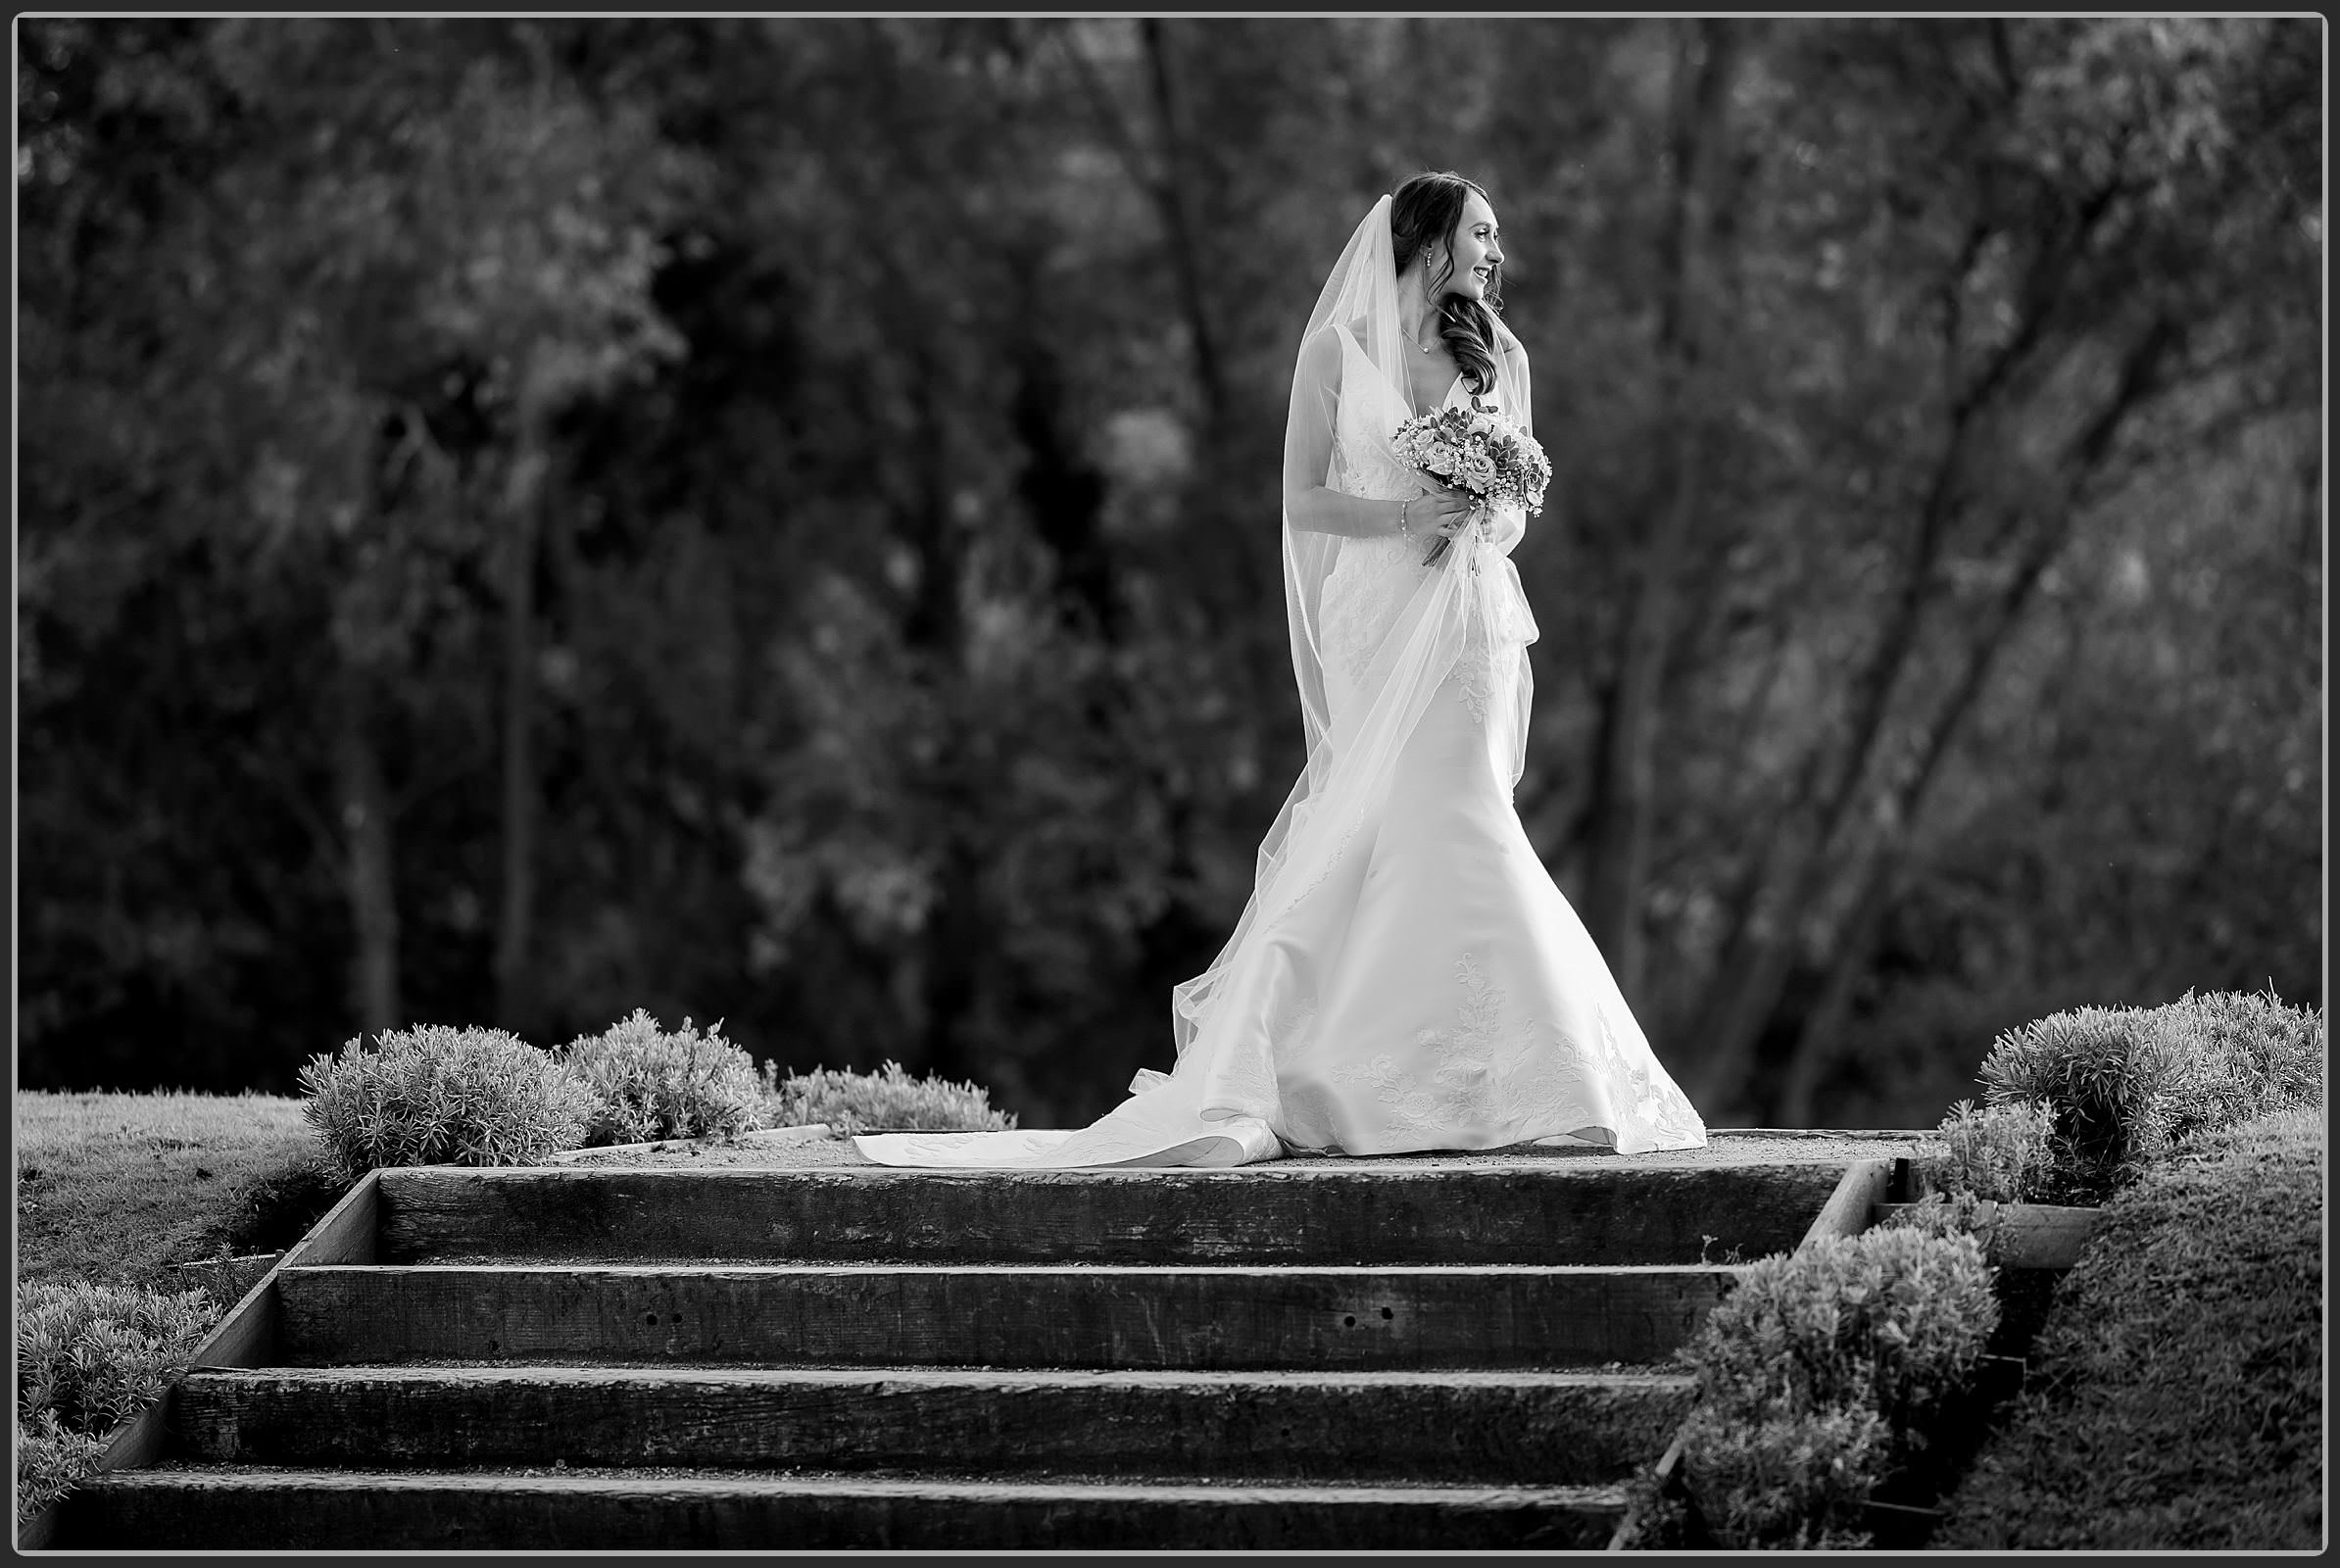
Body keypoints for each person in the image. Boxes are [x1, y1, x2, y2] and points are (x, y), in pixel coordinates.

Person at [857, 172, 1706, 1169]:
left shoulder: (1502, 357)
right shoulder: (1333, 353)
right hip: (1375, 622)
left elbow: (1521, 510)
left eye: (1496, 234)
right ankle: (1358, 1072)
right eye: (1480, 232)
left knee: (1464, 814)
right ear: (1427, 238)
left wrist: (1479, 508)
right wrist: (1406, 515)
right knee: (1384, 829)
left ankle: (1538, 1078)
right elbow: (1304, 500)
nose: (1494, 251)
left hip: (1466, 626)